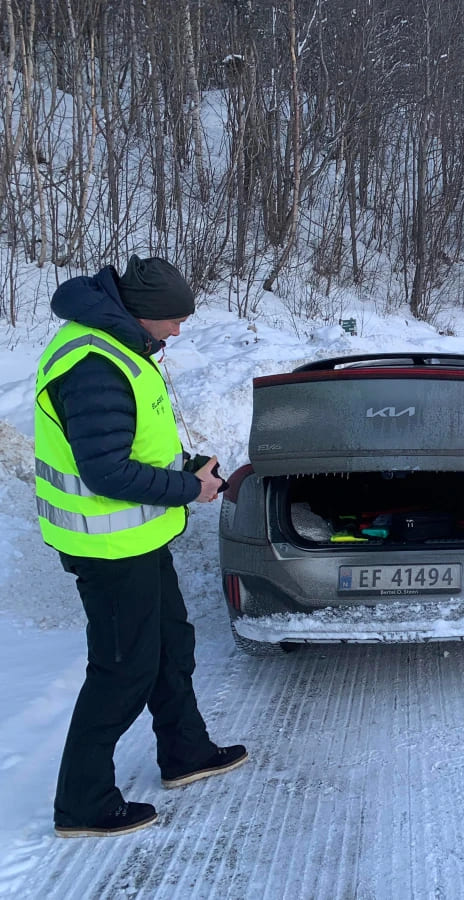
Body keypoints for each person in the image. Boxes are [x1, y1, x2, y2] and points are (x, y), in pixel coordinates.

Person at [34, 255, 247, 838]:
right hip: (105, 549)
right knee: (122, 670)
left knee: (171, 645)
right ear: (143, 313)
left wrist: (184, 466)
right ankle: (82, 804)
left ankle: (186, 753)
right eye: (173, 320)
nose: (179, 330)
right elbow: (104, 472)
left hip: (139, 538)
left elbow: (130, 445)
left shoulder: (121, 344)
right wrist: (189, 488)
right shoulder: (94, 362)